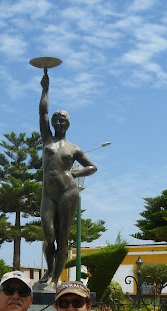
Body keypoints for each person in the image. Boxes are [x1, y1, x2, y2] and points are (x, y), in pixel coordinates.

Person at [37, 69, 98, 285]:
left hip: (68, 193)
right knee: (49, 236)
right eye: (56, 119)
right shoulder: (47, 140)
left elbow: (92, 167)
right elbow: (42, 113)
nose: (59, 122)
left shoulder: (74, 148)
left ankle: (55, 279)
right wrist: (45, 88)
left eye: (63, 120)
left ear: (68, 124)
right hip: (48, 194)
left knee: (63, 239)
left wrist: (74, 173)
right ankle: (48, 272)